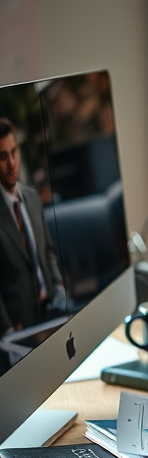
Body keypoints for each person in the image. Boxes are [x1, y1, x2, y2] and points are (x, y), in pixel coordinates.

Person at [0, 118, 64, 339]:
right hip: (21, 327)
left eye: (14, 152)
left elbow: (47, 251)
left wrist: (59, 286)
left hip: (51, 312)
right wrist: (7, 328)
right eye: (3, 156)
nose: (12, 163)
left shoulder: (32, 198)